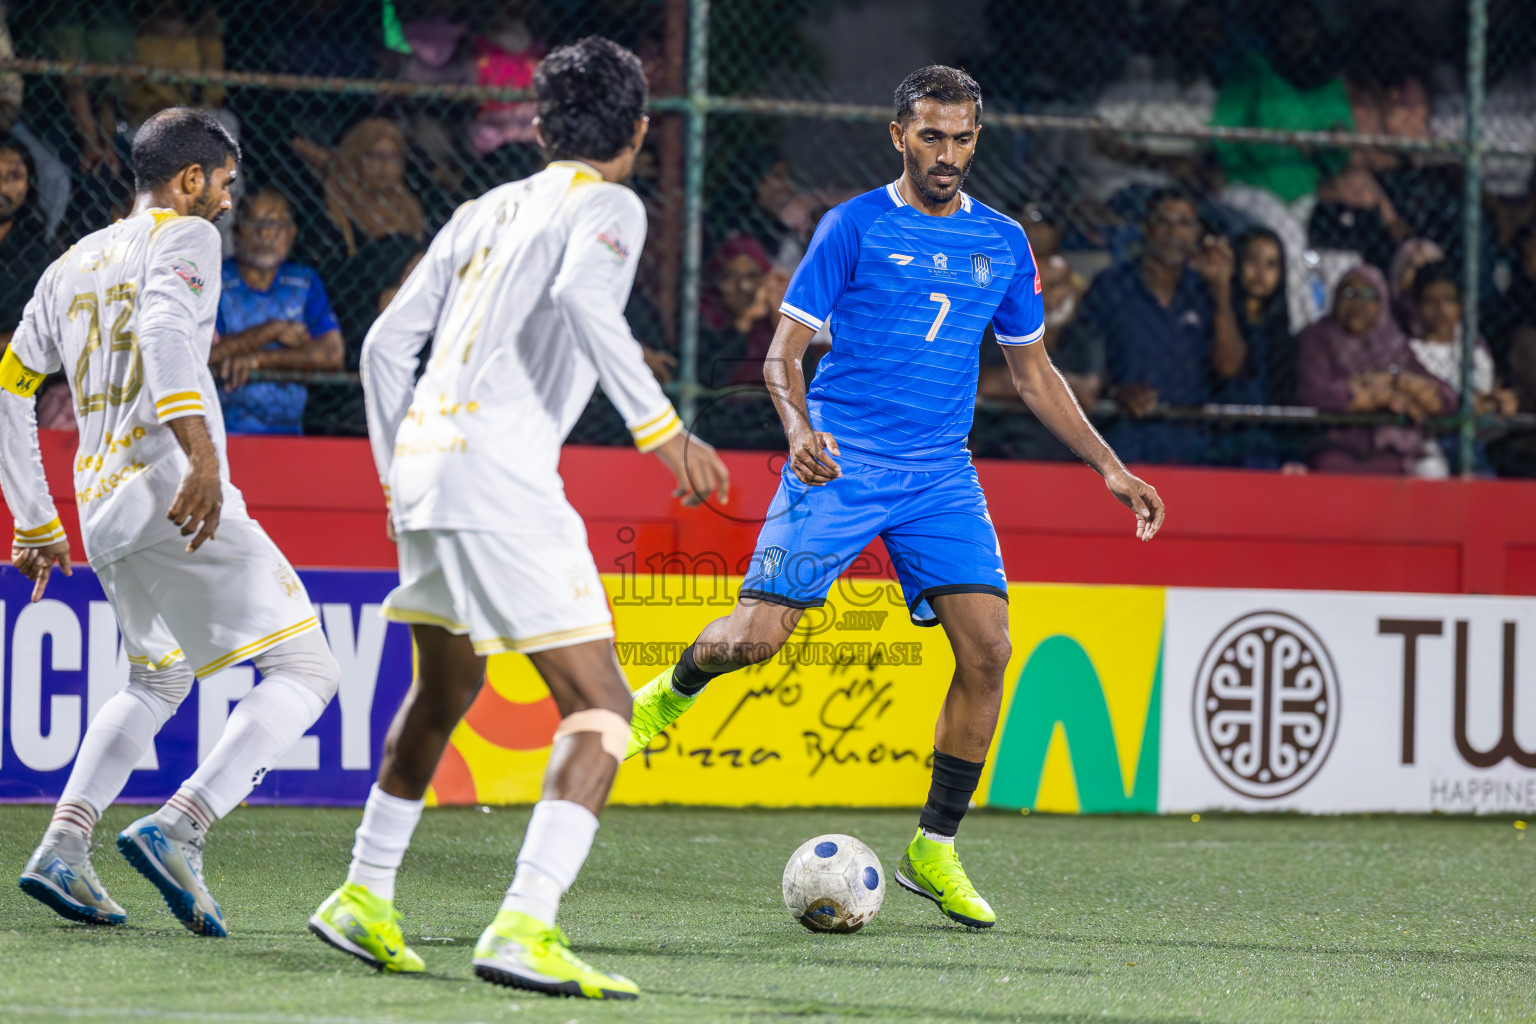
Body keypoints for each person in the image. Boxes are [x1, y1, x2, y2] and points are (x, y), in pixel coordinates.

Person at [621, 65, 1164, 931]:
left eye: (962, 138)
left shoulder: (1004, 242)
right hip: (839, 463)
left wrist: (1108, 465)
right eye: (932, 136)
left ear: (976, 139)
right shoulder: (854, 226)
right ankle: (670, 693)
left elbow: (1033, 373)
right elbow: (780, 354)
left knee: (988, 650)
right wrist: (798, 431)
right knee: (757, 641)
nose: (948, 154)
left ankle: (934, 847)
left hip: (941, 475)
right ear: (899, 135)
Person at [307, 37, 729, 1000]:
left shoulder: (481, 207)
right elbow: (586, 296)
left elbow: (381, 348)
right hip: (499, 477)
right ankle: (525, 925)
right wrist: (664, 435)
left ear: (538, 126)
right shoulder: (610, 203)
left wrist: (392, 473)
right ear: (640, 131)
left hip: (423, 467)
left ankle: (363, 895)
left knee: (447, 684)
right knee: (603, 706)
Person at [2, 108, 341, 936]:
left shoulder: (70, 262)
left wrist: (34, 515)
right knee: (308, 670)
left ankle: (64, 844)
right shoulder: (186, 237)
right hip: (171, 489)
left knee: (158, 677)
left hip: (100, 507)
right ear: (190, 179)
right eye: (223, 183)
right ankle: (181, 825)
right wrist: (203, 457)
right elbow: (162, 330)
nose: (227, 200)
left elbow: (9, 384)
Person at [1075, 188, 1246, 463]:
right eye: (1164, 221)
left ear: (1199, 234)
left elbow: (1229, 366)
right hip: (1121, 433)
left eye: (1185, 223)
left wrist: (1222, 290)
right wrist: (1115, 392)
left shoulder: (1205, 292)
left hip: (1191, 439)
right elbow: (1081, 361)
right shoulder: (1111, 286)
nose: (1173, 233)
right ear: (1146, 228)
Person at [210, 188, 344, 434]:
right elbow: (205, 355)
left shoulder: (303, 281)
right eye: (255, 223)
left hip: (290, 432)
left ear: (292, 234)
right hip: (223, 431)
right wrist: (271, 331)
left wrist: (259, 360)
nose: (266, 233)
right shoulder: (215, 280)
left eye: (277, 224)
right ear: (236, 232)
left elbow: (331, 353)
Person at [1296, 263, 1449, 474]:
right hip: (1338, 447)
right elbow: (1312, 393)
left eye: (1370, 295)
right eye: (1350, 293)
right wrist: (1377, 396)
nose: (1359, 303)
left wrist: (1399, 383)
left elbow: (1445, 396)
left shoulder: (1394, 344)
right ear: (1336, 298)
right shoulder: (1317, 338)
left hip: (1396, 449)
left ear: (1383, 303)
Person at [1407, 259, 1518, 473]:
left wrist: (1493, 400)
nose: (1441, 310)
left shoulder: (1474, 346)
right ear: (1417, 306)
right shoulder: (1411, 349)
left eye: (1449, 301)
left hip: (1477, 436)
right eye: (1431, 302)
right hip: (1432, 440)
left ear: (1461, 305)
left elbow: (1486, 394)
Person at [0, 133, 56, 349]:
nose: (3, 185)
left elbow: (34, 329)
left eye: (14, 175)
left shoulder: (36, 258)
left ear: (28, 188)